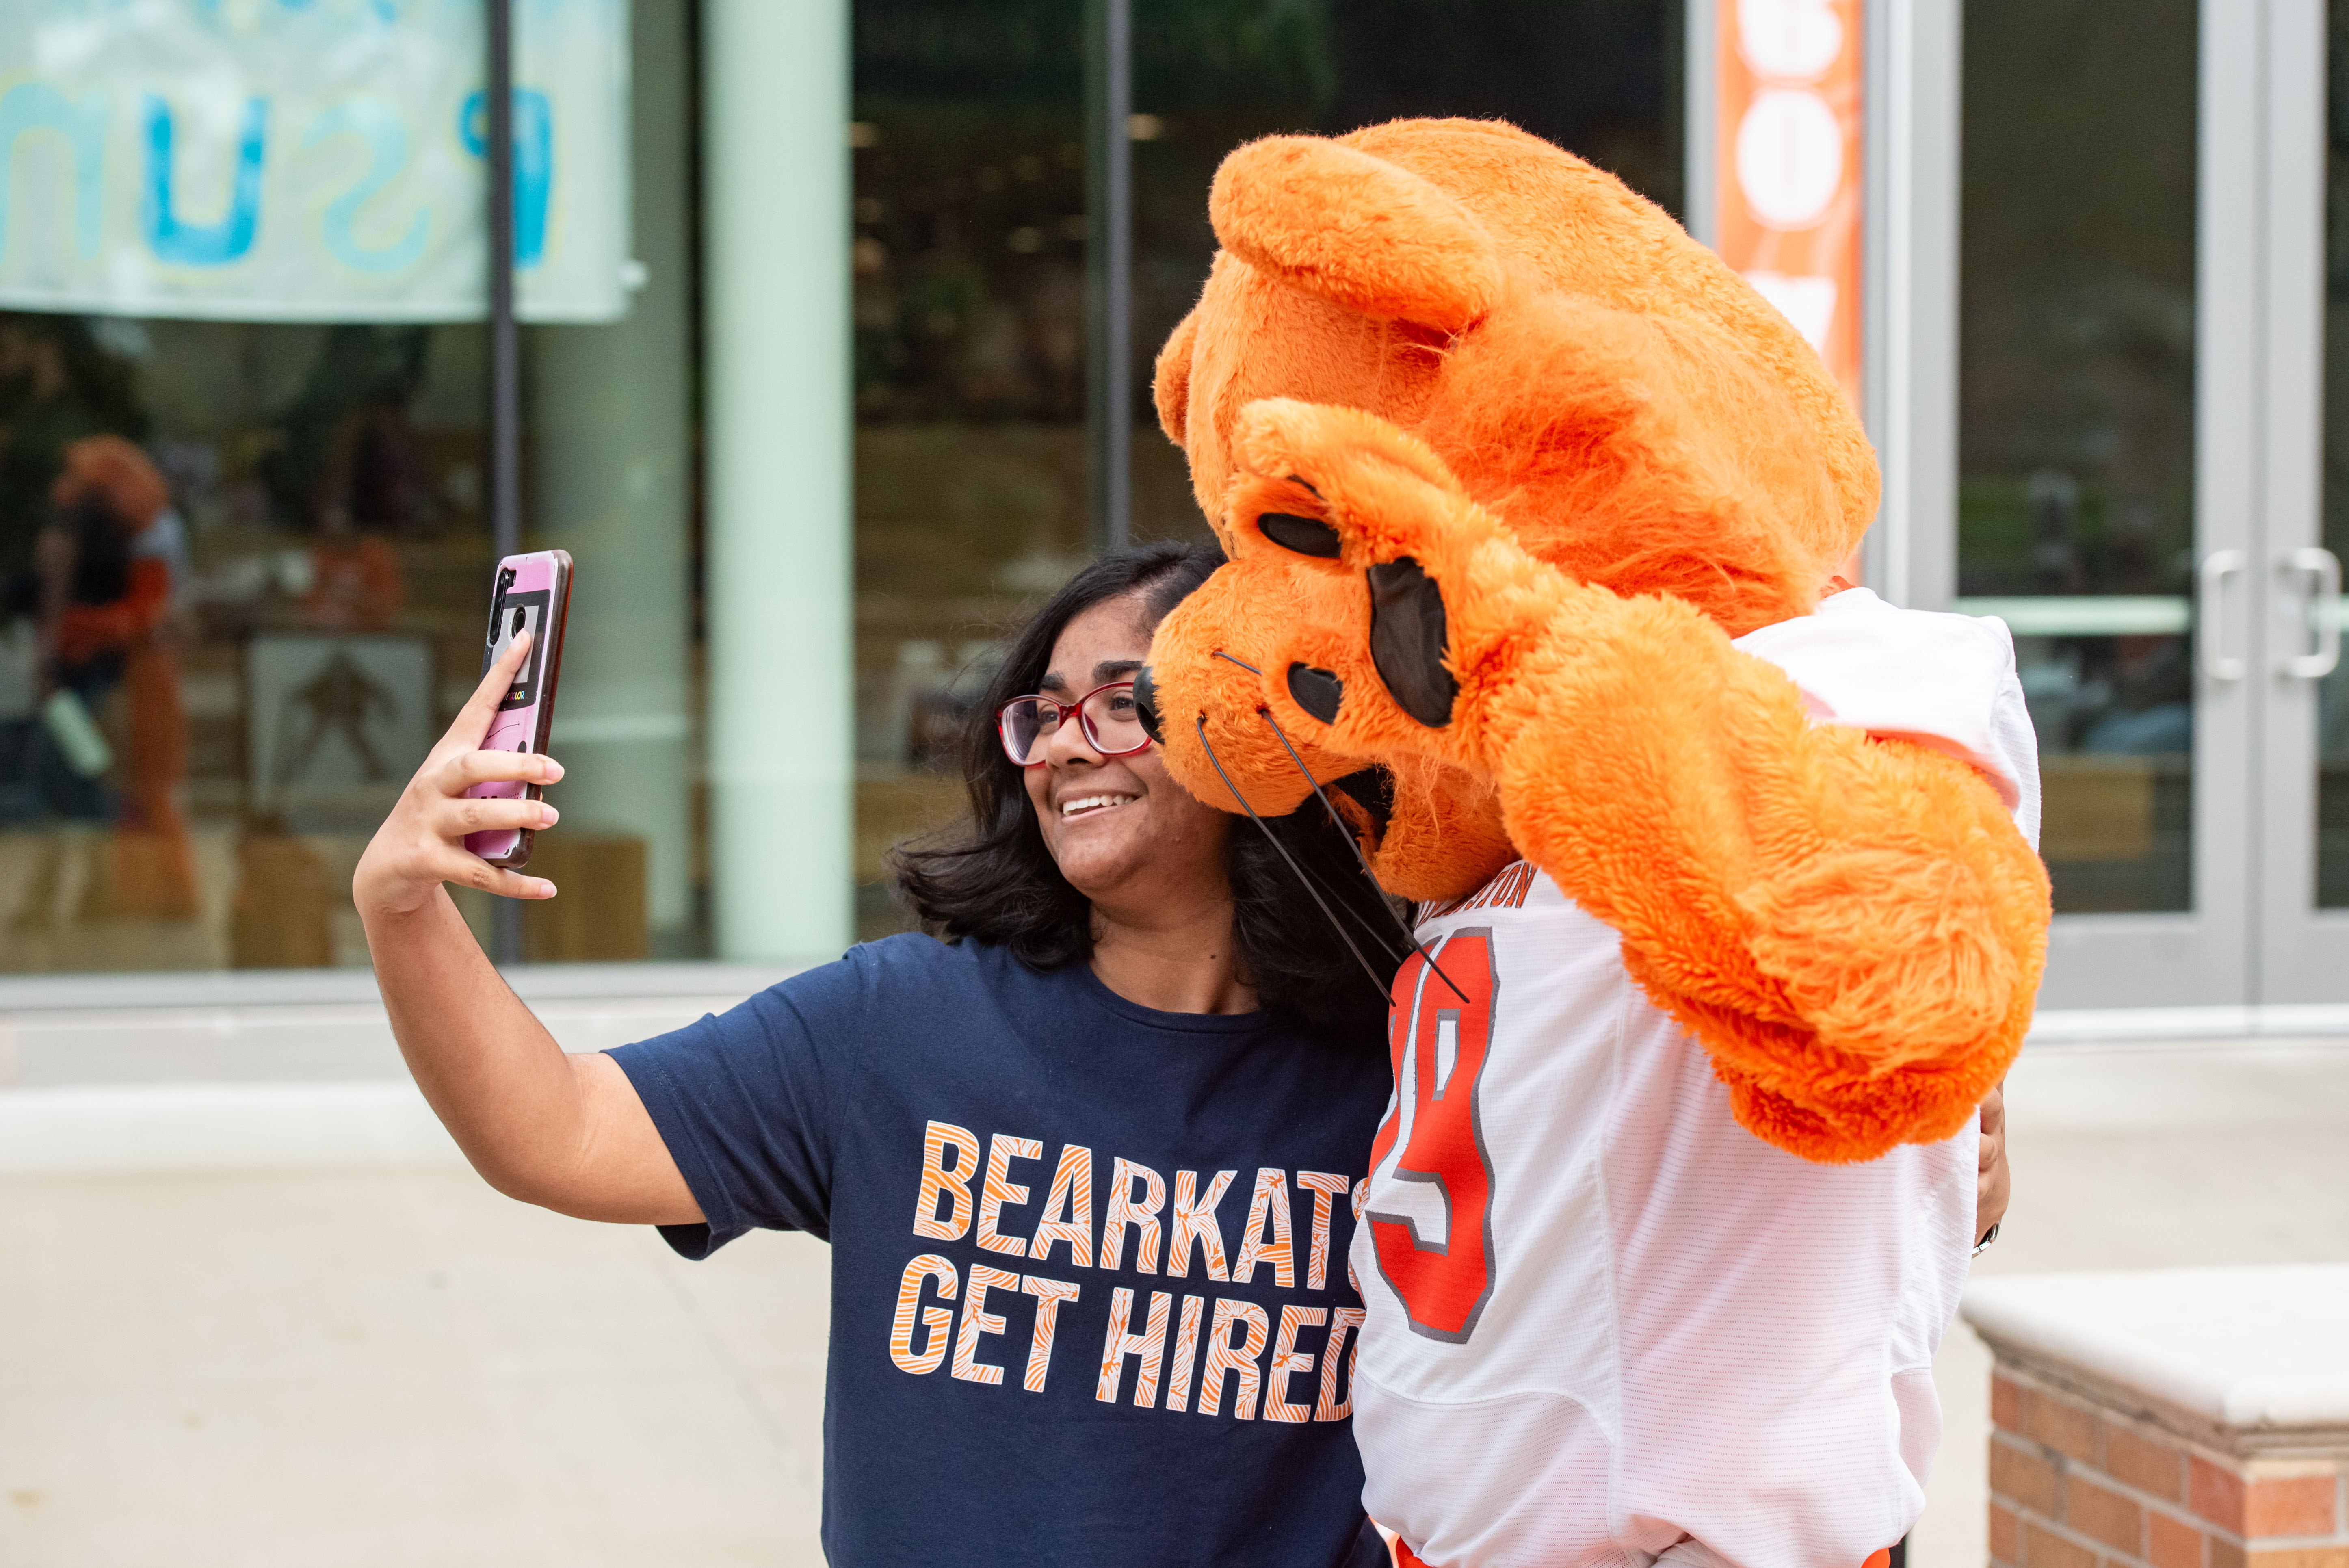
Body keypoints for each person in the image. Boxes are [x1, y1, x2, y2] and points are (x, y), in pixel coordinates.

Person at [355, 542, 1405, 1568]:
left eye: (1123, 702)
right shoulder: (896, 1027)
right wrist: (401, 906)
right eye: (1041, 714)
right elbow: (559, 1128)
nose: (1067, 744)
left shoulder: (1401, 1080)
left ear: (1253, 729)